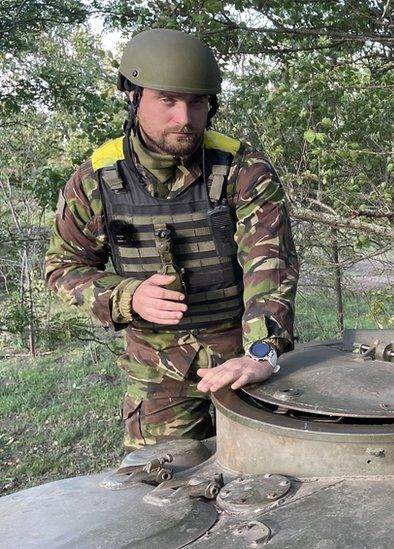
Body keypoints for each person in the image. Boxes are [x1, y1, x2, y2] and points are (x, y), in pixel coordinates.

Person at [44, 28, 299, 451]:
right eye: (167, 100)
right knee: (163, 497)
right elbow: (63, 267)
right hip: (157, 370)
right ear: (133, 96)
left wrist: (262, 352)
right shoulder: (97, 180)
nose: (184, 117)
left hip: (242, 360)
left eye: (196, 102)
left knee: (273, 485)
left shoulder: (243, 171)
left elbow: (269, 266)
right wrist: (126, 296)